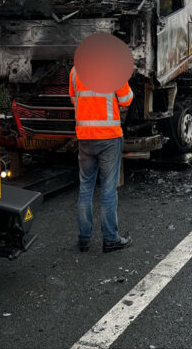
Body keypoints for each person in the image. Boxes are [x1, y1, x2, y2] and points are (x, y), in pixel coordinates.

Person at [69, 66, 134, 253]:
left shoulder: (75, 71)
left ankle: (84, 238)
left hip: (85, 137)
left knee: (86, 187)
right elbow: (127, 99)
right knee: (108, 189)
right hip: (108, 138)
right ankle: (111, 239)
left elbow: (75, 100)